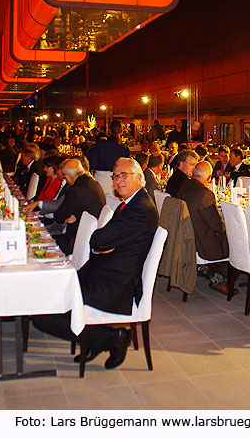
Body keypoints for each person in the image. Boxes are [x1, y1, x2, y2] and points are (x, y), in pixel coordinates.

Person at [33, 157, 158, 369]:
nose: (118, 181)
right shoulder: (132, 203)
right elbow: (102, 241)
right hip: (105, 269)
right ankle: (94, 339)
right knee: (50, 293)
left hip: (116, 284)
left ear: (139, 177)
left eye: (123, 175)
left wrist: (104, 244)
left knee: (42, 313)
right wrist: (105, 244)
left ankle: (111, 337)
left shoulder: (139, 209)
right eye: (115, 176)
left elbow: (98, 239)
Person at [175, 161, 231, 292]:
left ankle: (208, 270)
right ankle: (222, 280)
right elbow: (217, 226)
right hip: (202, 243)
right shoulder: (205, 194)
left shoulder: (184, 186)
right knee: (236, 241)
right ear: (209, 178)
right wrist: (231, 226)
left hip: (187, 238)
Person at [51, 158, 105, 255]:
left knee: (46, 240)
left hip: (77, 240)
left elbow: (59, 216)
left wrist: (65, 217)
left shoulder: (76, 190)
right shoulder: (94, 183)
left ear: (68, 177)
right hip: (91, 235)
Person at [89, 119, 130, 195]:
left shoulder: (100, 145)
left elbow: (92, 164)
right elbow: (127, 167)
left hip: (100, 178)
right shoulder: (123, 148)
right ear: (122, 131)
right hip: (117, 180)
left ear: (109, 130)